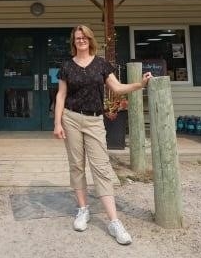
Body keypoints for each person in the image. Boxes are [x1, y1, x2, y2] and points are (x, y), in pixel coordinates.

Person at [53, 24, 152, 245]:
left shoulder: (101, 64)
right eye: (77, 38)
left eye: (84, 37)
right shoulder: (66, 66)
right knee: (76, 165)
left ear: (90, 40)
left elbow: (116, 88)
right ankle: (83, 210)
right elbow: (61, 96)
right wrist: (57, 123)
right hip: (71, 118)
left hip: (95, 120)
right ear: (74, 41)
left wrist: (140, 84)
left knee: (101, 168)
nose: (81, 41)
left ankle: (114, 221)